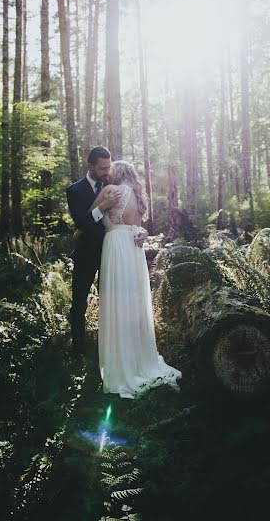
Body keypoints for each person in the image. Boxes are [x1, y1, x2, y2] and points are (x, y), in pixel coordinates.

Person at [89, 160, 182, 399]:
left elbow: (89, 216)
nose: (107, 176)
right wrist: (144, 232)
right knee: (134, 302)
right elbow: (139, 228)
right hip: (134, 249)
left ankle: (121, 364)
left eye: (111, 172)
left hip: (117, 246)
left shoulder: (111, 192)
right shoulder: (139, 197)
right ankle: (139, 359)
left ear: (118, 172)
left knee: (117, 302)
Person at [65, 146, 121, 358]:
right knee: (79, 302)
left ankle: (106, 347)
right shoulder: (75, 190)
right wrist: (103, 206)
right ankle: (78, 348)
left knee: (110, 301)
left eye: (108, 167)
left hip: (110, 253)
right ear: (90, 166)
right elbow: (82, 222)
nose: (107, 172)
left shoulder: (113, 186)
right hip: (85, 255)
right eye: (102, 168)